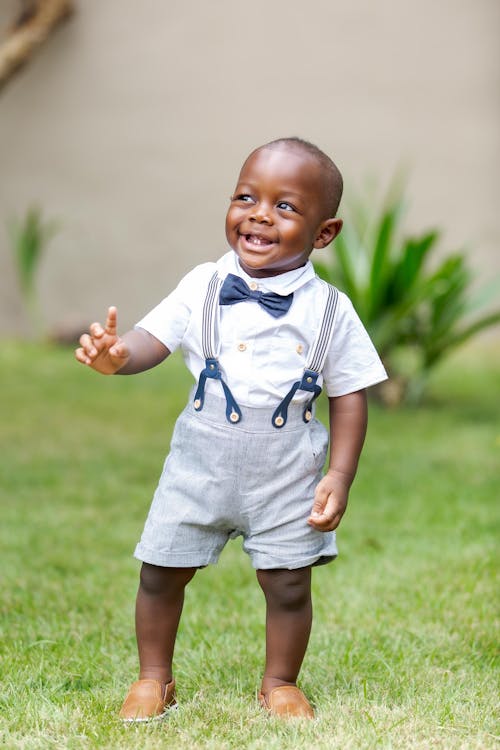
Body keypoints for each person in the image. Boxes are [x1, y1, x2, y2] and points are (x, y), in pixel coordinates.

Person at [75, 137, 387, 721]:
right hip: (200, 461)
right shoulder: (203, 285)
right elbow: (153, 340)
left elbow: (349, 394)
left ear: (324, 233)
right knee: (162, 570)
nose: (259, 214)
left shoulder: (332, 311)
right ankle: (153, 678)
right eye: (246, 197)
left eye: (286, 206)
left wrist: (340, 475)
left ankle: (280, 683)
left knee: (289, 583)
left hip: (288, 470)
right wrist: (119, 355)